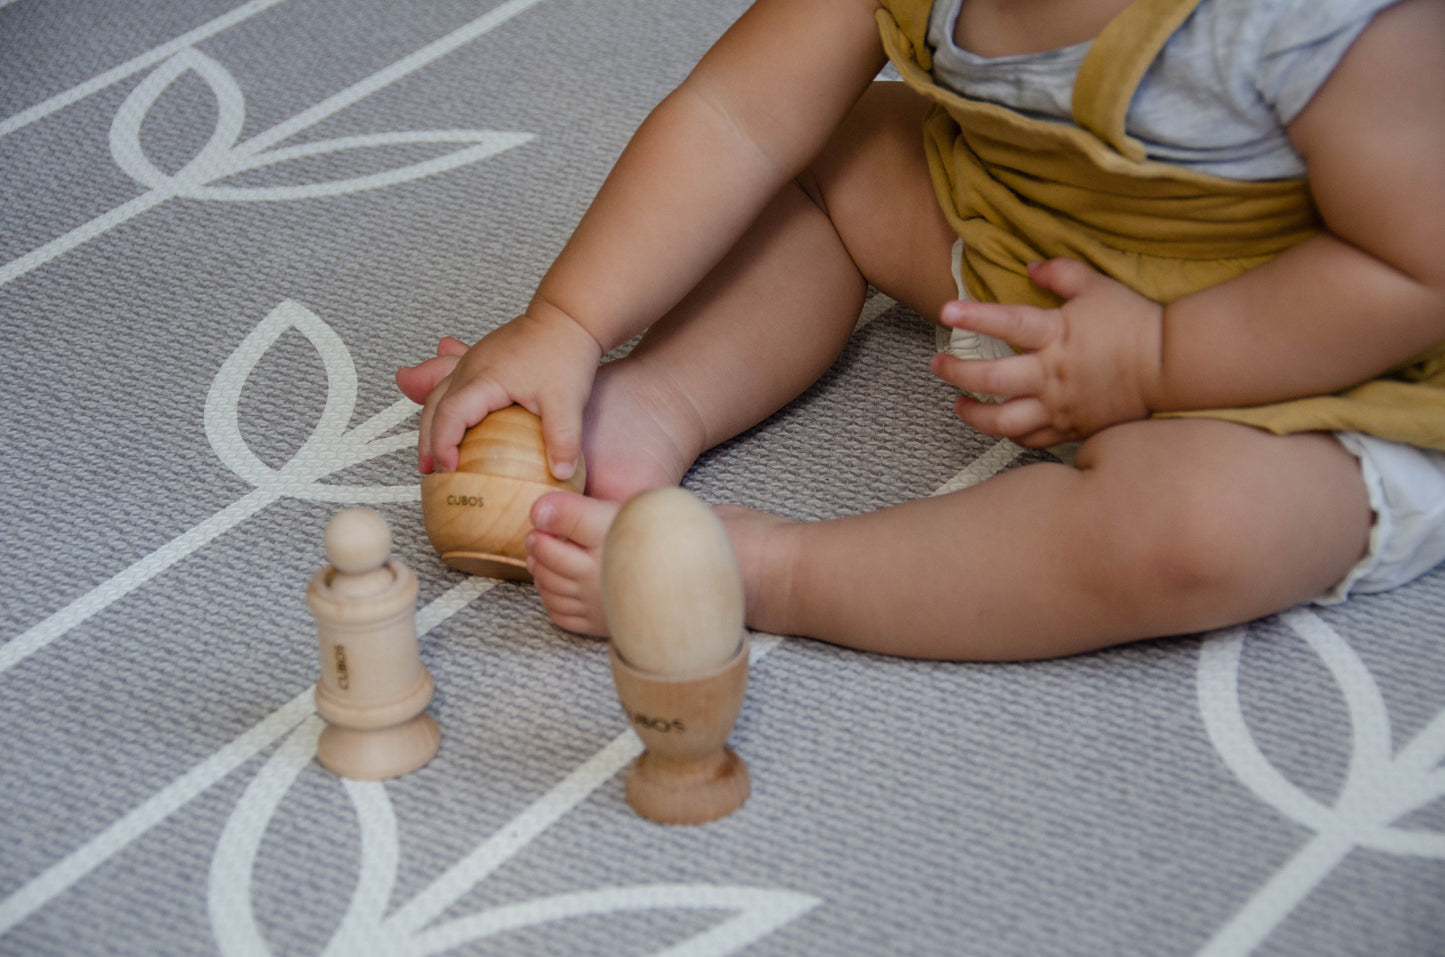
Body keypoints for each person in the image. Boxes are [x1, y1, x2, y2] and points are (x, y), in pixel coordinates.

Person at [396, 0, 1445, 660]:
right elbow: (734, 118)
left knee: (1197, 529)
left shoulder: (1322, 22)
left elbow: (1413, 265)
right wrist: (568, 321)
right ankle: (648, 409)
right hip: (1020, 248)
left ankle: (780, 572)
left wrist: (1157, 360)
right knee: (835, 151)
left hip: (1319, 355)